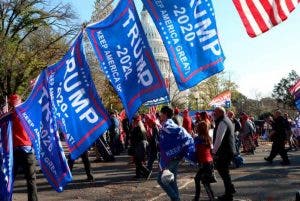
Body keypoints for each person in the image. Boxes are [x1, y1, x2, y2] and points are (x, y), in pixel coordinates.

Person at [157, 106, 194, 201]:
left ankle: (175, 198)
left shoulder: (168, 124)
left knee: (161, 179)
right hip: (173, 156)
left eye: (161, 113)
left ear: (165, 114)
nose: (159, 115)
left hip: (171, 157)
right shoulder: (166, 124)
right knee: (172, 181)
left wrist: (183, 145)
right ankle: (176, 199)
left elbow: (181, 132)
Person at [9, 94, 38, 201]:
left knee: (9, 178)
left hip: (14, 152)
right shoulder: (28, 114)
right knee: (31, 180)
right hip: (27, 151)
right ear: (20, 102)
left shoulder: (9, 116)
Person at [212, 107, 236, 201]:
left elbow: (219, 139)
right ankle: (230, 190)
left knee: (223, 172)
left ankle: (229, 194)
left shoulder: (222, 122)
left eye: (215, 113)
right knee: (224, 172)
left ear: (220, 113)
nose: (214, 114)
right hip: (228, 150)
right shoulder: (226, 120)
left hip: (225, 152)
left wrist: (213, 151)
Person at [193, 121, 216, 201]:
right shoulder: (208, 138)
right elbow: (212, 150)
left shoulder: (198, 139)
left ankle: (211, 198)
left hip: (204, 163)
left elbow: (194, 150)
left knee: (205, 182)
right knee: (199, 179)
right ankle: (197, 197)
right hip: (209, 162)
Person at [131, 115, 150, 179]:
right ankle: (138, 175)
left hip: (140, 145)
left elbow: (134, 138)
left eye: (133, 120)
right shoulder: (142, 127)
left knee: (138, 161)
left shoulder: (137, 128)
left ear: (136, 121)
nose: (132, 121)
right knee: (138, 161)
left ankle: (146, 172)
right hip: (142, 145)